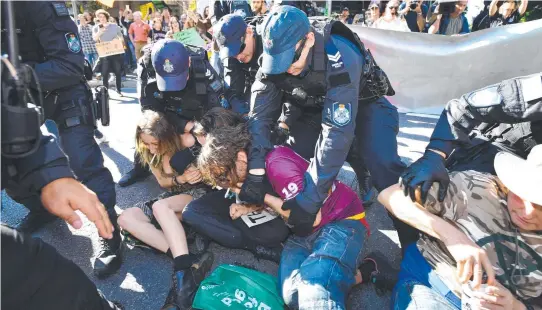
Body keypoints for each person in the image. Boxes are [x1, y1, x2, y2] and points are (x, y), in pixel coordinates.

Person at [239, 5, 418, 250]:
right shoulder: (274, 56)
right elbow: (259, 118)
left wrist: (310, 200)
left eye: (290, 60)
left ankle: (413, 245)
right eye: (277, 61)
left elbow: (336, 131)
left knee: (382, 164)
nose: (285, 68)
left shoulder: (340, 54)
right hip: (316, 105)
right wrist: (255, 175)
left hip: (367, 104)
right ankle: (322, 212)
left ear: (309, 39)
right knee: (293, 153)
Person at [198, 123, 399, 308]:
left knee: (315, 291)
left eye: (224, 176)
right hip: (302, 231)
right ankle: (367, 270)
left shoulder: (277, 164)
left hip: (340, 221)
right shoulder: (255, 165)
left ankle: (335, 277)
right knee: (292, 296)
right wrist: (249, 207)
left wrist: (262, 196)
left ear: (241, 157)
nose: (226, 184)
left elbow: (311, 217)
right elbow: (280, 199)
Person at [1, 1, 122, 278]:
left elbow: (70, 65)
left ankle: (110, 231)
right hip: (22, 93)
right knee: (14, 160)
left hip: (64, 93)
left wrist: (11, 75)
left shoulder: (39, 5)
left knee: (83, 161)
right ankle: (42, 207)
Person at [379, 145, 542, 310]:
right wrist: (453, 237)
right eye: (520, 196)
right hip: (437, 286)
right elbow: (391, 196)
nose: (527, 213)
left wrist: (516, 306)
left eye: (540, 206)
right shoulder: (478, 187)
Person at [117, 111, 214, 310]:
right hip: (174, 196)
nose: (152, 148)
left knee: (161, 208)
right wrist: (181, 179)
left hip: (199, 194)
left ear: (166, 136)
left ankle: (182, 273)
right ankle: (187, 259)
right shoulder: (148, 151)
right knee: (126, 219)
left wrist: (197, 173)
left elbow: (216, 169)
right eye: (147, 143)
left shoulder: (186, 141)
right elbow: (163, 182)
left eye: (156, 143)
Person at [400, 73, 542, 206]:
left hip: (535, 180)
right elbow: (463, 107)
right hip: (495, 156)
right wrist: (434, 155)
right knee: (428, 196)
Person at [118, 39, 228, 187]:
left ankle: (198, 167)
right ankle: (140, 167)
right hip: (163, 110)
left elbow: (218, 109)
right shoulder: (146, 67)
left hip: (192, 108)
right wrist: (186, 125)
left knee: (200, 138)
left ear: (188, 63)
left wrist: (203, 130)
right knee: (148, 131)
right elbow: (149, 112)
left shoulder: (202, 68)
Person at [93, 9, 125, 96]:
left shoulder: (114, 26)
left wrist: (118, 40)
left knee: (118, 72)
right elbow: (95, 39)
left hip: (115, 52)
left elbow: (121, 38)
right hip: (104, 53)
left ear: (106, 17)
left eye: (103, 16)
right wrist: (100, 32)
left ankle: (119, 90)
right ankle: (106, 93)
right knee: (105, 73)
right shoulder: (96, 27)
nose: (101, 18)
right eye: (99, 17)